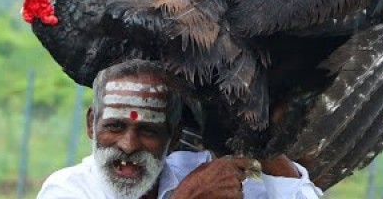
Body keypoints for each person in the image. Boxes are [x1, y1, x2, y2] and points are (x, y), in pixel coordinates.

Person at [37, 59, 324, 199]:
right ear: (91, 124)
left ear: (173, 138)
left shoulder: (205, 174)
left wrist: (256, 134)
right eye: (115, 126)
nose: (127, 145)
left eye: (148, 131)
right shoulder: (68, 189)